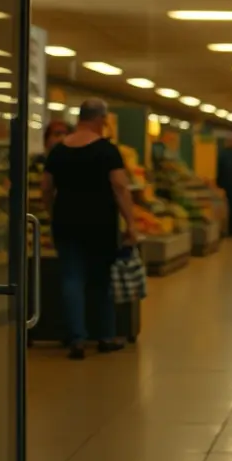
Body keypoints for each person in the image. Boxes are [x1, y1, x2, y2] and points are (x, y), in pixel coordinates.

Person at [41, 98, 138, 360]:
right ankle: (105, 337)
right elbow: (119, 187)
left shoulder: (59, 151)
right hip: (100, 224)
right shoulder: (107, 151)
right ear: (101, 120)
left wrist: (53, 214)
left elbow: (46, 188)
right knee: (101, 280)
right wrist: (130, 222)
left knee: (72, 279)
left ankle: (77, 339)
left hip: (66, 222)